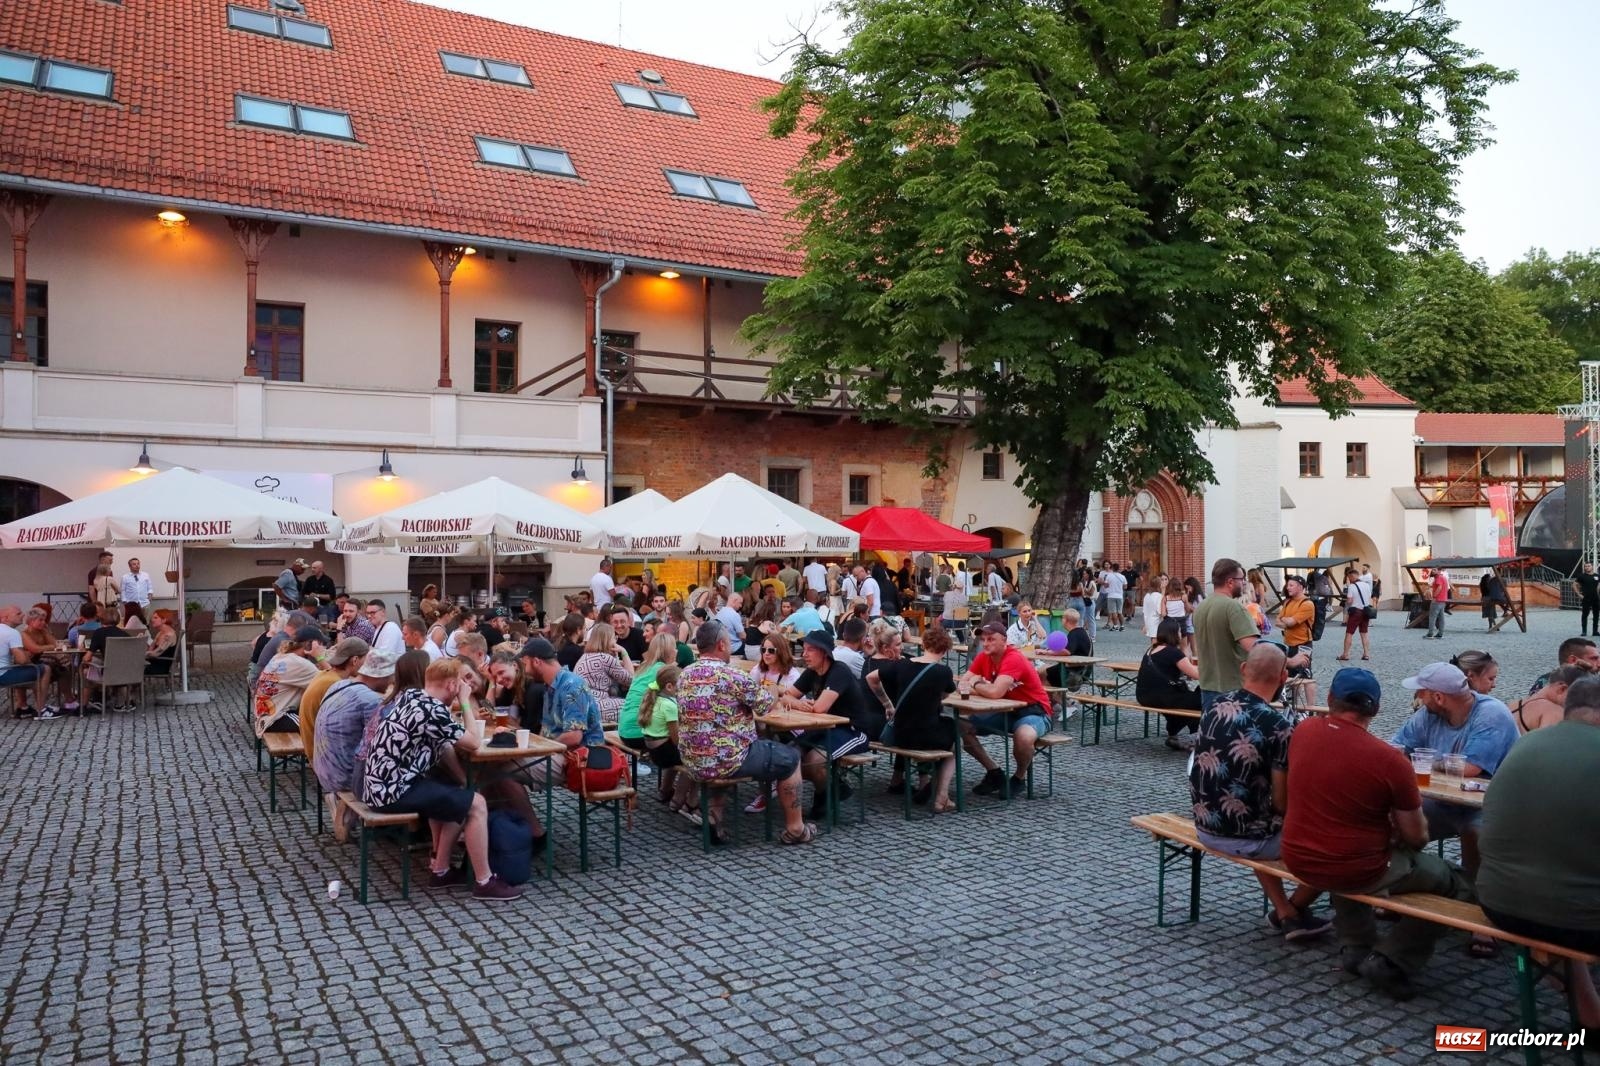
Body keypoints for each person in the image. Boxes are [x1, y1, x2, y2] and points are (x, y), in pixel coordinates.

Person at [1281, 668, 1475, 1000]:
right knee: (1457, 883)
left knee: (1351, 854)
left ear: (1329, 700)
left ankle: (1356, 946)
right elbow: (1416, 837)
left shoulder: (1303, 732)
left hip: (1298, 856)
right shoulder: (1388, 760)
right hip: (1356, 866)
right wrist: (1395, 834)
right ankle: (1393, 958)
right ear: (1376, 710)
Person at [1477, 675, 1600, 1030]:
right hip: (1576, 919)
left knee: (1560, 884)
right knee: (1569, 900)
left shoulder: (1526, 745)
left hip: (1499, 903)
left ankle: (1589, 1014)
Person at [1189, 644, 1330, 940]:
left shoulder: (1214, 706)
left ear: (1243, 670)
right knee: (1338, 849)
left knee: (1255, 811)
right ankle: (1295, 909)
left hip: (1205, 824)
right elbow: (1281, 803)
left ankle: (1286, 913)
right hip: (1248, 837)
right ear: (1282, 677)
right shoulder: (1278, 726)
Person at [363, 657, 521, 901]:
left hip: (381, 784)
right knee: (476, 803)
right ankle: (485, 881)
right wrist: (465, 702)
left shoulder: (413, 697)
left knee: (456, 793)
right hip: (392, 790)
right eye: (460, 683)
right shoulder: (431, 709)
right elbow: (473, 742)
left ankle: (440, 871)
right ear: (451, 685)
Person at [1390, 661, 1517, 952]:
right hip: (1443, 802)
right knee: (1397, 821)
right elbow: (1396, 748)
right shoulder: (1428, 715)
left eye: (1422, 693)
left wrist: (1421, 762)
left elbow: (1471, 767)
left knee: (1477, 836)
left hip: (1491, 806)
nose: (1418, 698)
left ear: (1438, 697)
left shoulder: (1491, 713)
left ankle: (1481, 916)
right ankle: (1399, 890)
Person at [678, 620, 816, 846]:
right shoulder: (731, 674)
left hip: (694, 759)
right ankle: (796, 828)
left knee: (723, 749)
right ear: (722, 645)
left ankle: (714, 815)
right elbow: (766, 705)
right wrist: (772, 689)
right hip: (728, 758)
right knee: (790, 757)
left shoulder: (685, 674)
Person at [778, 630, 878, 820]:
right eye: (804, 649)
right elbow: (786, 696)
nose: (804, 654)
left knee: (815, 760)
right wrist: (799, 703)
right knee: (790, 755)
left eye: (810, 650)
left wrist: (797, 702)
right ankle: (834, 786)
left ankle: (824, 794)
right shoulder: (811, 672)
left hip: (853, 730)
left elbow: (820, 708)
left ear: (824, 653)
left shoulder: (839, 671)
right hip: (823, 728)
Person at [956, 621, 1054, 799]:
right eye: (983, 639)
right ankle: (995, 772)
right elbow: (962, 685)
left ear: (1004, 640)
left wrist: (977, 683)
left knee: (1023, 736)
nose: (985, 643)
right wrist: (978, 685)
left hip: (1035, 711)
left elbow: (994, 692)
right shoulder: (983, 657)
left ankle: (1019, 778)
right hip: (1006, 710)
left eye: (991, 639)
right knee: (960, 725)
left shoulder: (1013, 657)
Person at [866, 623, 958, 811]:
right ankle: (941, 797)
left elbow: (871, 678)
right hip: (925, 735)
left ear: (924, 645)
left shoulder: (903, 664)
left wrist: (887, 704)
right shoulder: (943, 672)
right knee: (956, 738)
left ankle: (928, 783)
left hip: (900, 734)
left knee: (947, 728)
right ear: (946, 649)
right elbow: (946, 694)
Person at [314, 649, 391, 842]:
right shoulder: (370, 700)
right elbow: (384, 741)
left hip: (323, 767)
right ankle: (405, 832)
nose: (391, 683)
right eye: (391, 678)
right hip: (344, 775)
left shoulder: (339, 685)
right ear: (380, 676)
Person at [1192, 559, 1259, 711]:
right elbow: (1255, 648)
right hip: (1233, 687)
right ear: (1230, 582)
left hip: (1207, 685)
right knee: (1236, 733)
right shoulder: (1234, 607)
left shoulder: (1201, 607)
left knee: (1213, 732)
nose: (1244, 583)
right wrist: (1289, 660)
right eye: (1242, 579)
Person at [299, 637, 369, 760]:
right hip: (318, 753)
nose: (366, 665)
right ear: (355, 660)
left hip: (314, 744)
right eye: (365, 660)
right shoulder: (335, 684)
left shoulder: (326, 674)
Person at [253, 624, 329, 736]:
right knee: (324, 726)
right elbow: (334, 682)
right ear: (309, 645)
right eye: (320, 645)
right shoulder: (300, 664)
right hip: (276, 718)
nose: (323, 648)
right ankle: (314, 753)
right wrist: (321, 658)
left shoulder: (281, 656)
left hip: (265, 715)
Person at [1138, 618, 1201, 750]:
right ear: (1173, 634)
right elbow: (1196, 675)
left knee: (1184, 697)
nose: (1180, 635)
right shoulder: (1173, 653)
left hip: (1143, 696)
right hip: (1163, 698)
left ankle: (1173, 736)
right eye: (1179, 632)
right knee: (1203, 695)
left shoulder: (1150, 650)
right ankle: (1200, 737)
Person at [574, 622, 633, 726]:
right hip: (595, 706)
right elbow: (631, 680)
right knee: (633, 706)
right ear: (607, 639)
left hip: (580, 705)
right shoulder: (605, 658)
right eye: (614, 637)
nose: (615, 640)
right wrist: (624, 652)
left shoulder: (585, 656)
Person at [0, 604, 51, 719]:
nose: (23, 615)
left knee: (22, 670)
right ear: (5, 618)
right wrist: (27, 656)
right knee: (45, 669)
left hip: (4, 671)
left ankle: (23, 706)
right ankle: (41, 709)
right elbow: (22, 660)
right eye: (18, 614)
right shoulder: (12, 633)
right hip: (3, 674)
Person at [1275, 574, 1316, 704]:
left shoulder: (1307, 604)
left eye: (1291, 585)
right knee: (1291, 676)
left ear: (1300, 587)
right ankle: (1295, 706)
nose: (1288, 588)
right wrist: (1286, 621)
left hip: (1303, 644)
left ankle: (1311, 709)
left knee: (1306, 677)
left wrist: (1286, 621)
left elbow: (1291, 622)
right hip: (1288, 644)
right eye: (1288, 585)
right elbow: (1277, 621)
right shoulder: (1288, 602)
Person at [1511, 664, 1583, 733]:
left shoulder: (1512, 706)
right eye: (1576, 697)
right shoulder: (1553, 712)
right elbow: (1549, 745)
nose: (1575, 704)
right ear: (1562, 689)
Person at [1528, 636, 1600, 694]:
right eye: (1594, 658)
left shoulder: (1543, 681)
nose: (1599, 664)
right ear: (1573, 660)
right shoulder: (1545, 682)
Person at [1338, 565, 1374, 662]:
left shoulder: (1352, 586)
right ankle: (1366, 654)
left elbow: (1349, 601)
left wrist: (1348, 601)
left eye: (1349, 577)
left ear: (1352, 577)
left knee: (1349, 633)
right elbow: (1369, 597)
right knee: (1364, 633)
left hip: (1356, 612)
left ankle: (1345, 654)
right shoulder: (1366, 585)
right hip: (1366, 611)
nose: (1349, 579)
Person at [120, 558, 152, 626]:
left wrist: (149, 598)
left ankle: (146, 635)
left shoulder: (145, 575)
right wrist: (125, 602)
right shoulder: (125, 577)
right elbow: (123, 590)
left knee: (145, 623)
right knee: (132, 623)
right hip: (132, 605)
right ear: (130, 566)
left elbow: (150, 588)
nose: (137, 565)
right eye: (134, 564)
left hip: (144, 603)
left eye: (138, 564)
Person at [1424, 566, 1450, 639]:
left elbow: (1439, 587)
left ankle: (1430, 633)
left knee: (1432, 617)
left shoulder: (1438, 578)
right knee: (1441, 618)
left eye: (1434, 570)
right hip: (1443, 600)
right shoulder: (1444, 578)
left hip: (1437, 600)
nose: (1432, 571)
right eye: (1432, 570)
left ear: (1439, 571)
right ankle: (1440, 633)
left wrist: (1434, 596)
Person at [1578, 562, 1600, 638]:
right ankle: (1584, 631)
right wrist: (1579, 594)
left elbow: (1598, 587)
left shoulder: (1597, 576)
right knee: (1585, 614)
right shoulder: (1582, 576)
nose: (1587, 567)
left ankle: (1595, 631)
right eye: (1586, 566)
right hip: (1586, 598)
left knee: (1596, 615)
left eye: (1588, 566)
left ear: (1592, 567)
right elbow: (1574, 585)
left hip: (1595, 598)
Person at [1141, 575, 1164, 641]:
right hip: (1156, 621)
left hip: (1148, 621)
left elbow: (1144, 610)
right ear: (1158, 585)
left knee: (1153, 640)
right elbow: (1160, 611)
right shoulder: (1159, 596)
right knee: (1155, 641)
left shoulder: (1147, 595)